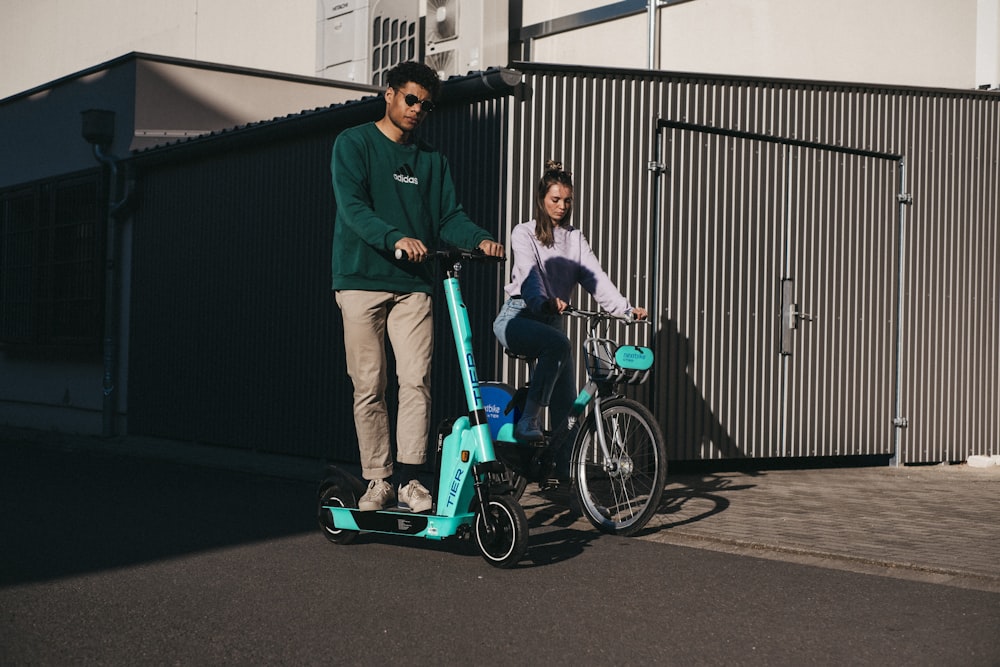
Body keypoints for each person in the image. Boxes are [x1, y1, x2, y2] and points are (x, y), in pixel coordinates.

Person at [331, 61, 504, 513]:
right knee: (369, 384)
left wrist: (480, 239)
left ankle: (409, 479)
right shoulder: (354, 144)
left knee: (415, 381)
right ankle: (377, 481)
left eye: (425, 106)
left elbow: (449, 218)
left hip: (413, 286)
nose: (417, 110)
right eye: (411, 100)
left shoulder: (432, 161)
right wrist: (395, 238)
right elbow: (353, 207)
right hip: (360, 281)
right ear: (388, 94)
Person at [493, 160, 647, 452]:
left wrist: (625, 309)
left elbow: (595, 277)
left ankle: (567, 474)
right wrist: (542, 301)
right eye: (555, 200)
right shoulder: (523, 233)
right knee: (559, 345)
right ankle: (528, 419)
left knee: (568, 404)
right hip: (518, 316)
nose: (562, 206)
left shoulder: (575, 239)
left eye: (567, 201)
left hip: (553, 324)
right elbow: (529, 274)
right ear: (541, 200)